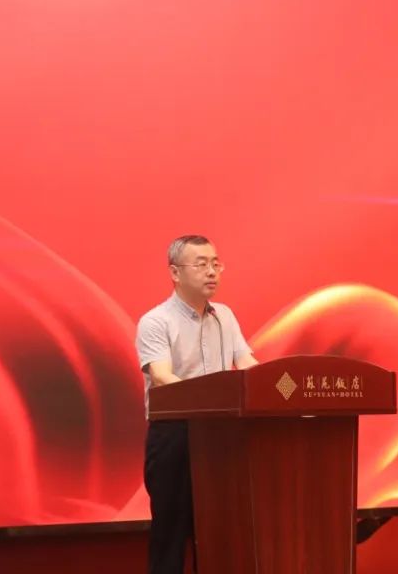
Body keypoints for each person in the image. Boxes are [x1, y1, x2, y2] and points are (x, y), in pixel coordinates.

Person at [135, 234, 258, 574]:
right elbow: (162, 376)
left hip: (221, 436)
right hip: (175, 435)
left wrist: (284, 387)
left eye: (216, 264)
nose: (212, 272)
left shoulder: (225, 317)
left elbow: (247, 363)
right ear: (175, 273)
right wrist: (212, 397)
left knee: (220, 527)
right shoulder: (156, 321)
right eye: (201, 264)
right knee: (171, 531)